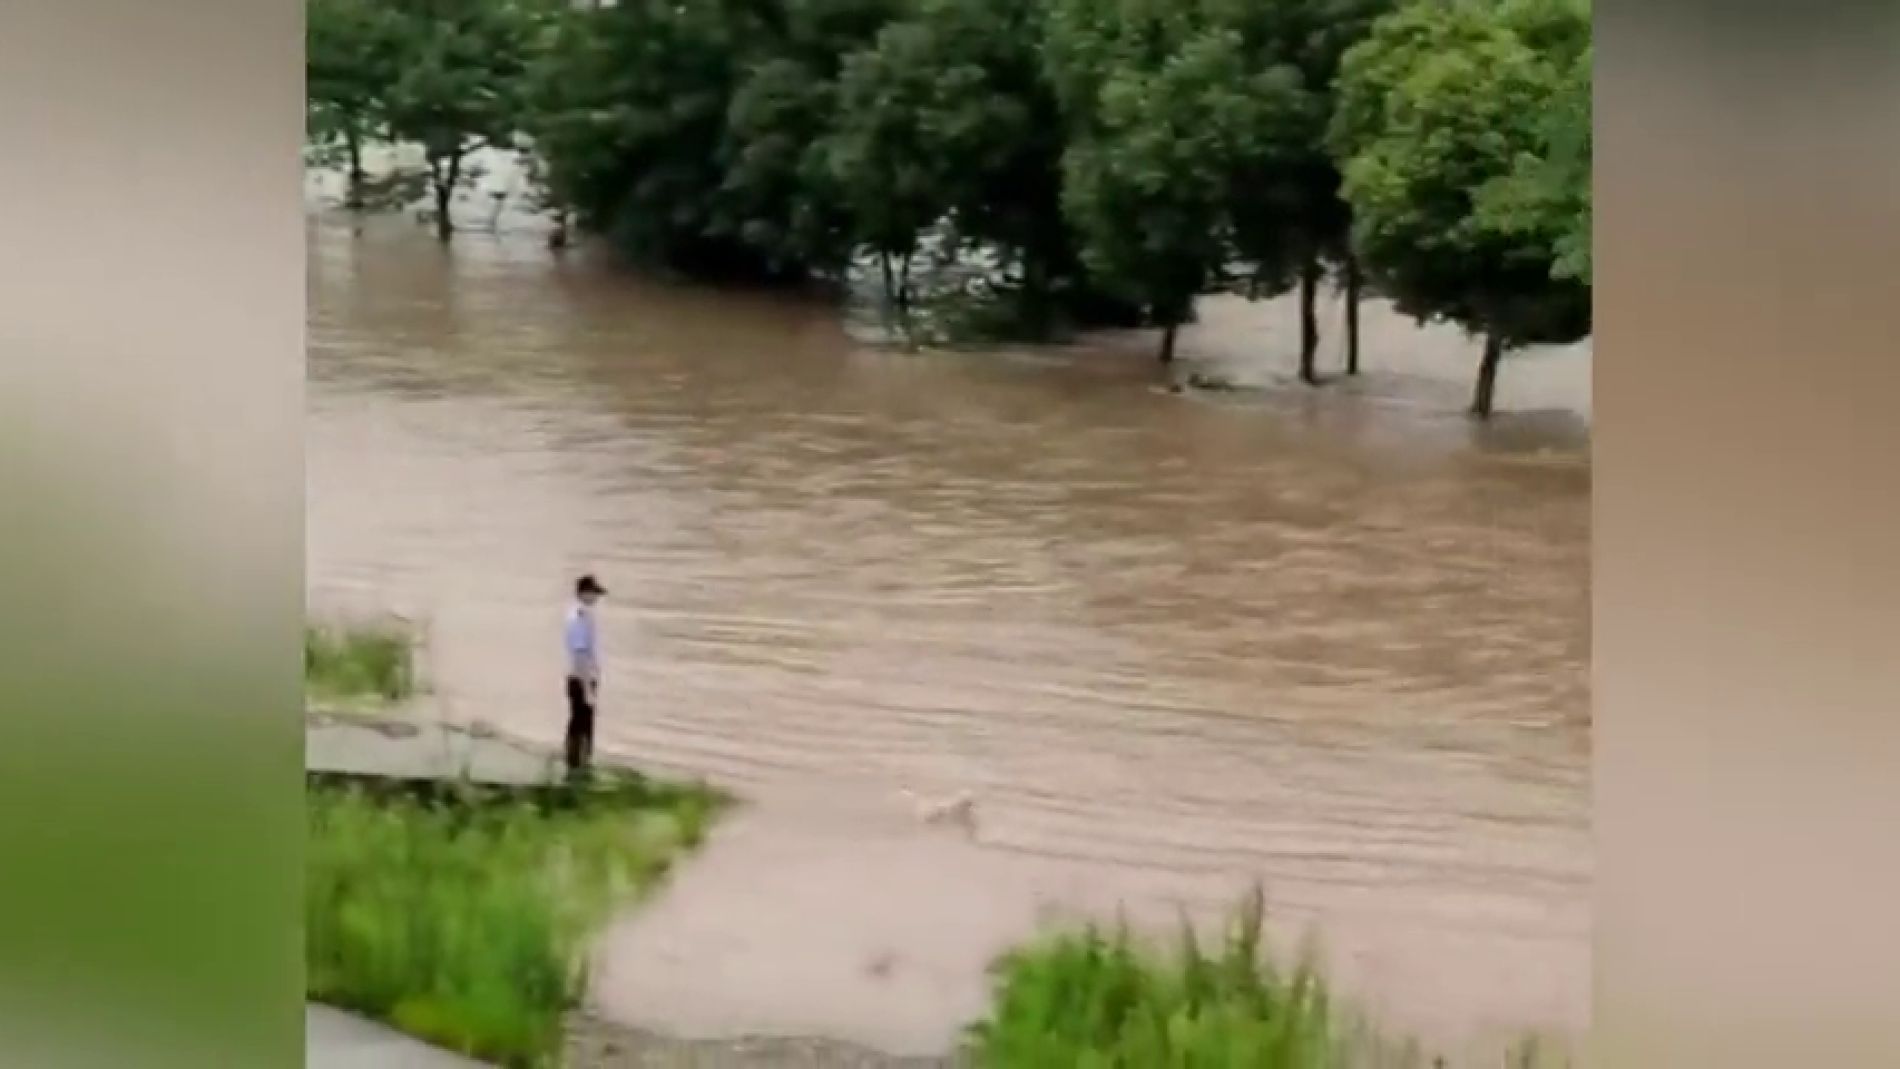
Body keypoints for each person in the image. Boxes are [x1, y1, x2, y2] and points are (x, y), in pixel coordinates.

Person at [563, 574, 607, 776]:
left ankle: (577, 763)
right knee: (581, 724)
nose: (596, 598)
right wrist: (588, 687)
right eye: (593, 593)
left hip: (581, 678)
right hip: (581, 679)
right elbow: (580, 653)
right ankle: (578, 765)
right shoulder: (579, 616)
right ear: (583, 593)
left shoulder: (580, 614)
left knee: (579, 722)